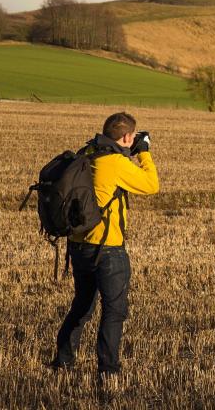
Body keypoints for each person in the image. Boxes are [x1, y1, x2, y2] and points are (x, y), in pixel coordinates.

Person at [50, 111, 159, 382]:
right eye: (133, 137)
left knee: (82, 306)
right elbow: (151, 185)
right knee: (114, 310)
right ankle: (108, 370)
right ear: (125, 137)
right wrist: (143, 152)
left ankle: (62, 362)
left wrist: (126, 151)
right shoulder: (115, 162)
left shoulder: (88, 152)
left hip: (78, 245)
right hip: (107, 249)